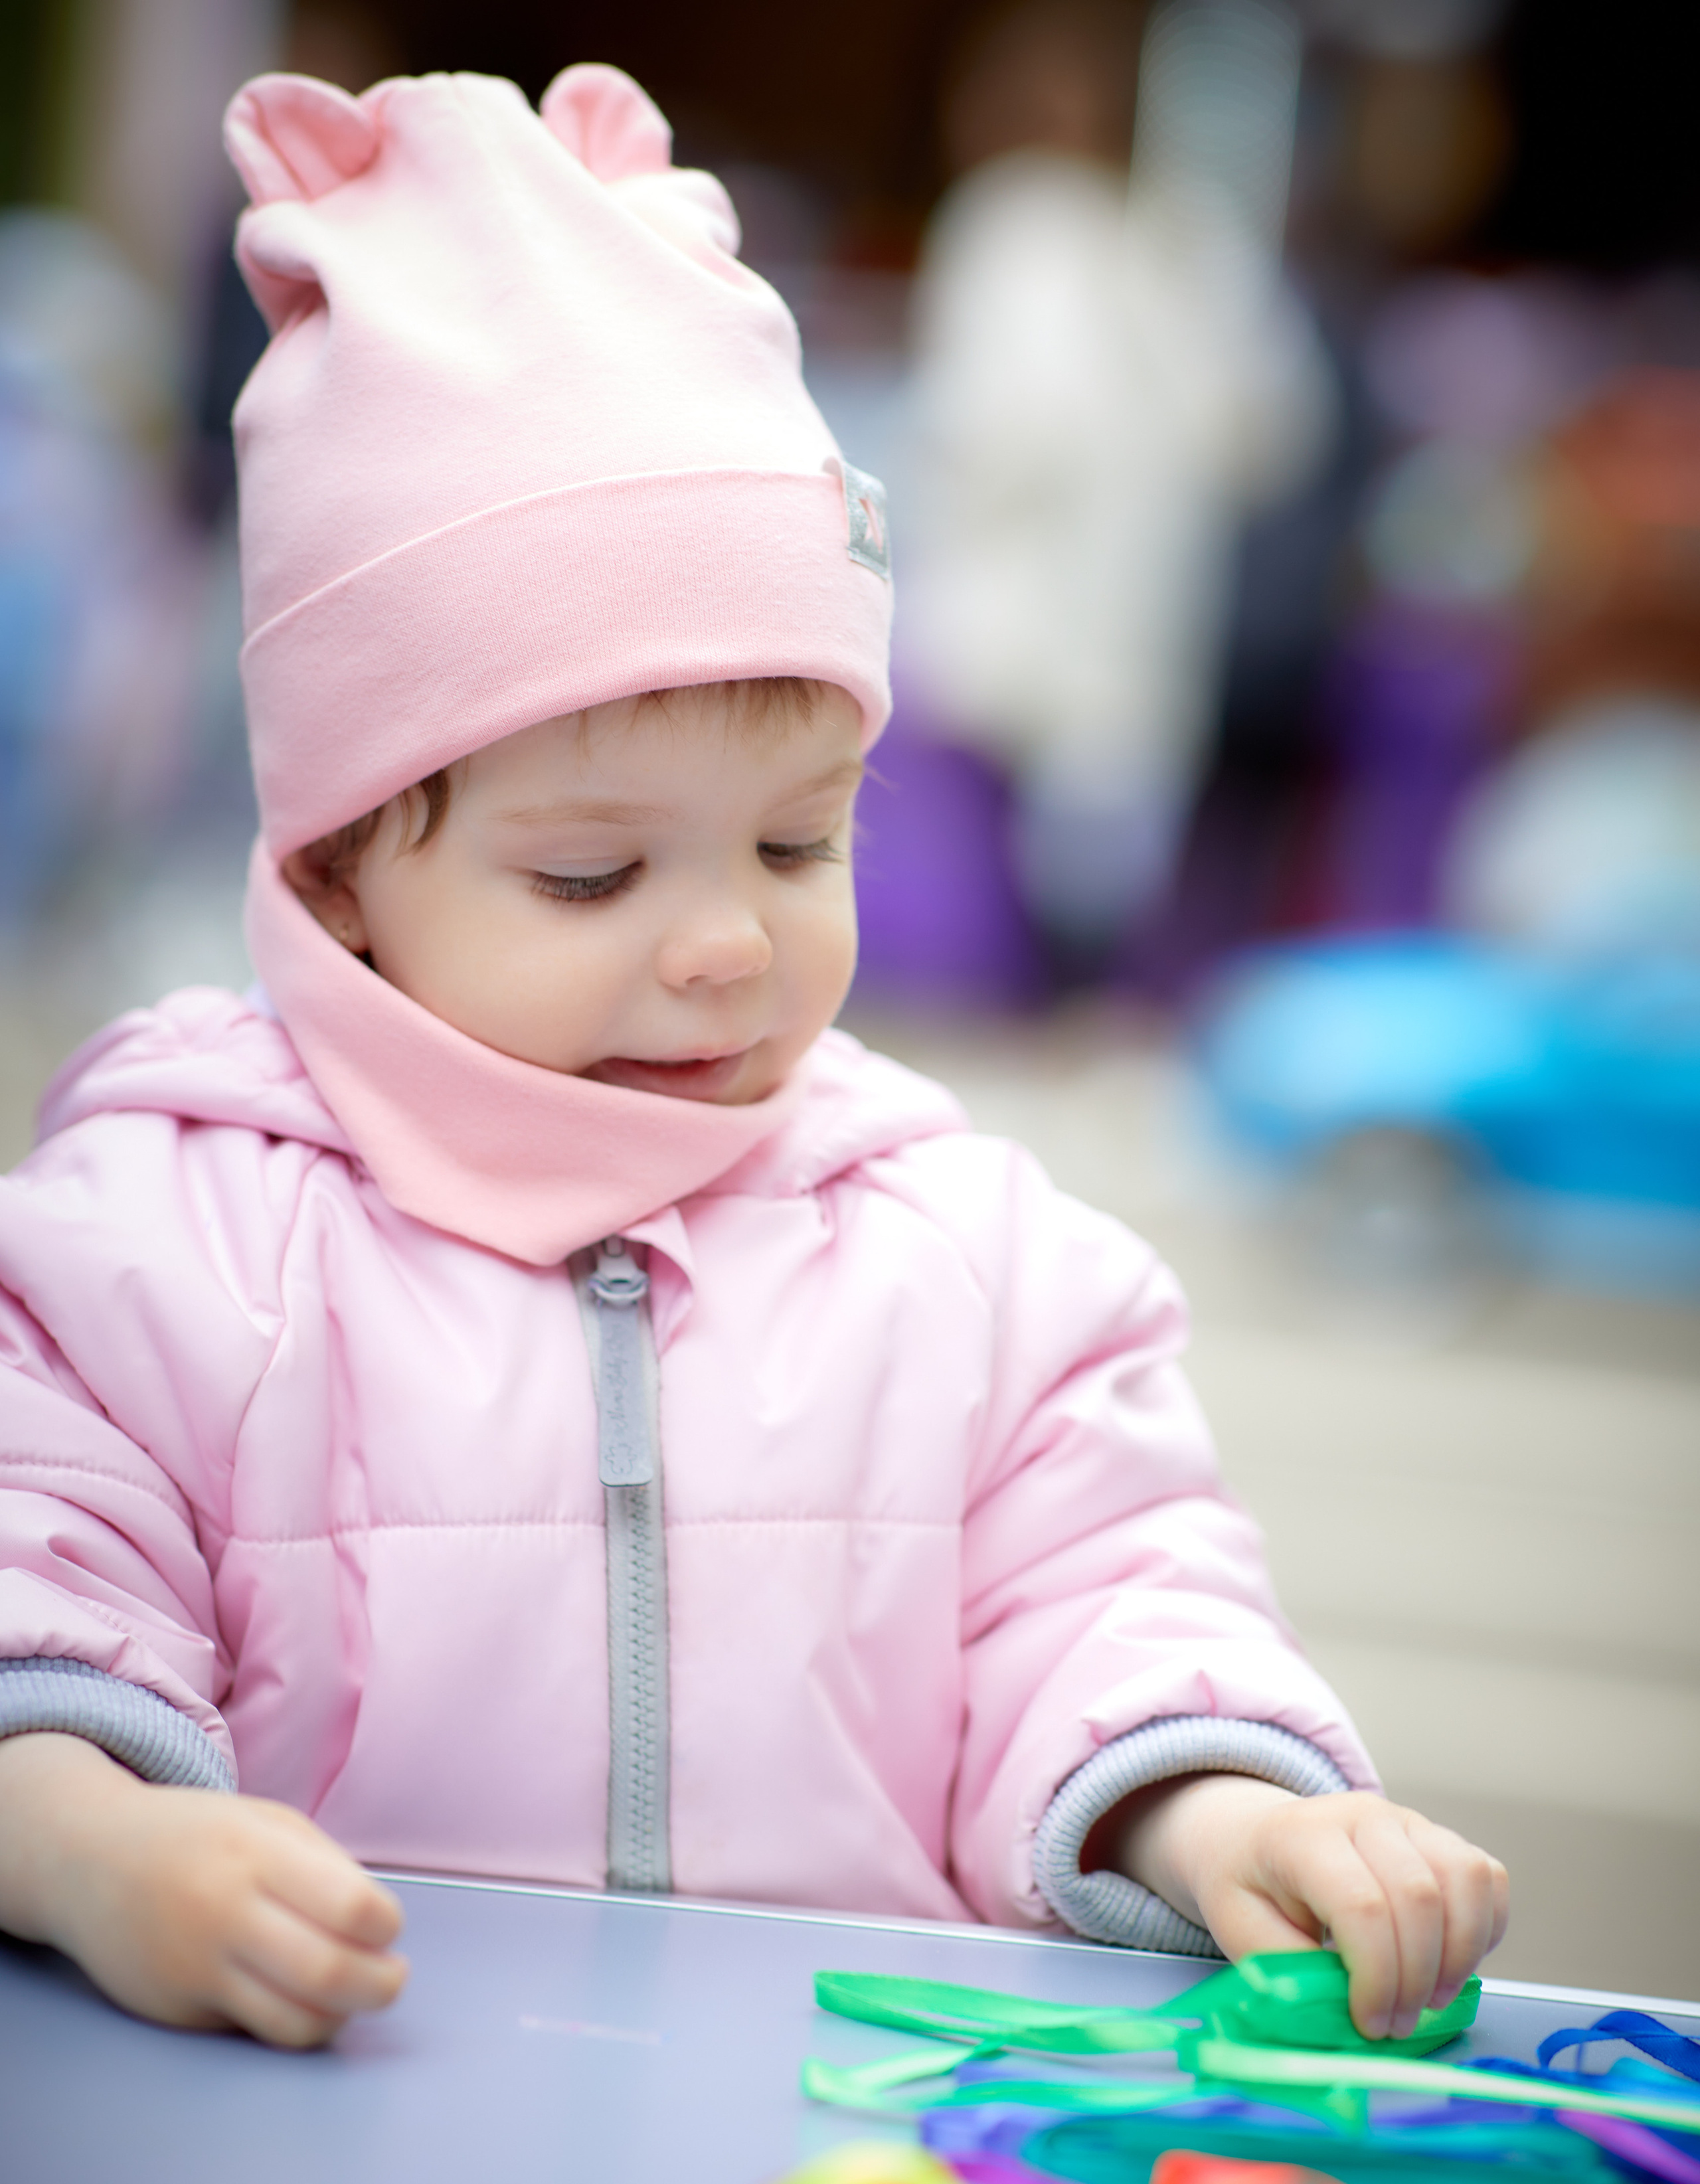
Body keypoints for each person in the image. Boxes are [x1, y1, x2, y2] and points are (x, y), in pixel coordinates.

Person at [0, 62, 1505, 2052]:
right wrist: (95, 1847)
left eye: (800, 839)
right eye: (594, 869)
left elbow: (1101, 1596)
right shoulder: (156, 1243)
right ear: (349, 868)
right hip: (307, 2162)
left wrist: (1217, 1803)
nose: (727, 941)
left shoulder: (966, 1258)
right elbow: (38, 1590)